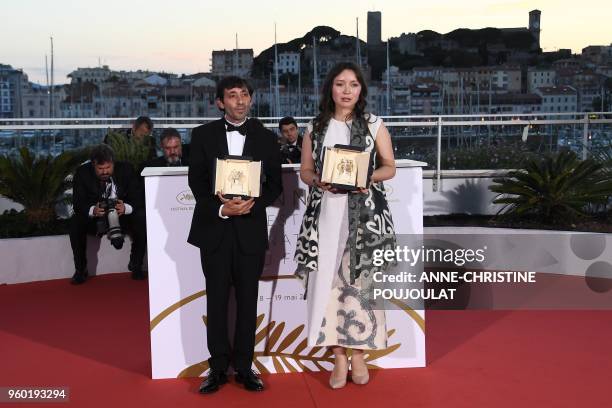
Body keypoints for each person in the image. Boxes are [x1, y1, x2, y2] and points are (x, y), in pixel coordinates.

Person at [294, 62, 397, 389]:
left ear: (361, 90)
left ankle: (357, 354)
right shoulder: (314, 128)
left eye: (353, 84)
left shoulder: (374, 125)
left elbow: (389, 167)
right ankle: (337, 355)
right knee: (327, 288)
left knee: (358, 289)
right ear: (331, 90)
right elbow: (305, 171)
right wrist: (318, 182)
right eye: (340, 84)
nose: (347, 90)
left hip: (363, 220)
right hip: (324, 215)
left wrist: (364, 177)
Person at [187, 76, 282, 394]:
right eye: (232, 96)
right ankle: (216, 369)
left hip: (250, 231)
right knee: (215, 301)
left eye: (245, 95)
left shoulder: (266, 137)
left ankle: (244, 367)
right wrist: (221, 208)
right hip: (214, 229)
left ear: (251, 100)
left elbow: (275, 185)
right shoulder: (201, 136)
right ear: (219, 102)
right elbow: (197, 181)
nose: (240, 101)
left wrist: (253, 205)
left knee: (246, 301)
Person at [70, 144, 147, 284]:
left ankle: (136, 265)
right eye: (100, 169)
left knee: (141, 217)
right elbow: (78, 202)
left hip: (123, 217)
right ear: (93, 165)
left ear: (113, 162)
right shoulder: (82, 173)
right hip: (96, 219)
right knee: (75, 223)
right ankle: (80, 270)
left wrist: (126, 207)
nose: (105, 172)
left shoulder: (126, 169)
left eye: (108, 168)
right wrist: (92, 209)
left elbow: (138, 196)